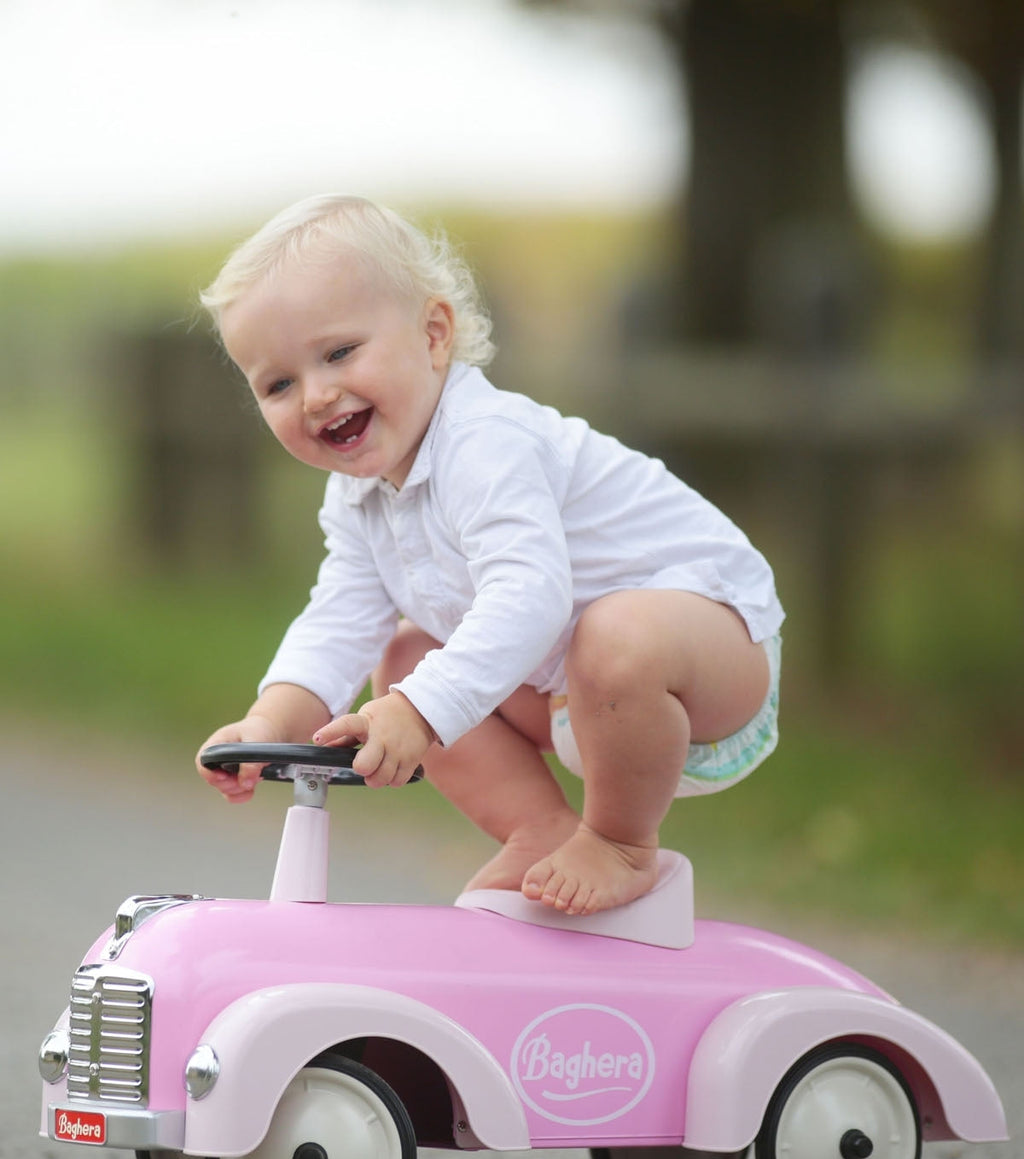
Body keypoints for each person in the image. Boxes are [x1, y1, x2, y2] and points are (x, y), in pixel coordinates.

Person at [196, 194, 784, 918]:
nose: (316, 395)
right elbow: (339, 622)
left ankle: (623, 845)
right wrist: (268, 725)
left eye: (340, 352)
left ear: (434, 335)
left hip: (709, 662)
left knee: (607, 634)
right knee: (406, 658)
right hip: (578, 696)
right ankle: (537, 829)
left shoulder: (484, 441)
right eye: (278, 384)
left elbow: (531, 595)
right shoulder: (358, 499)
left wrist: (418, 714)